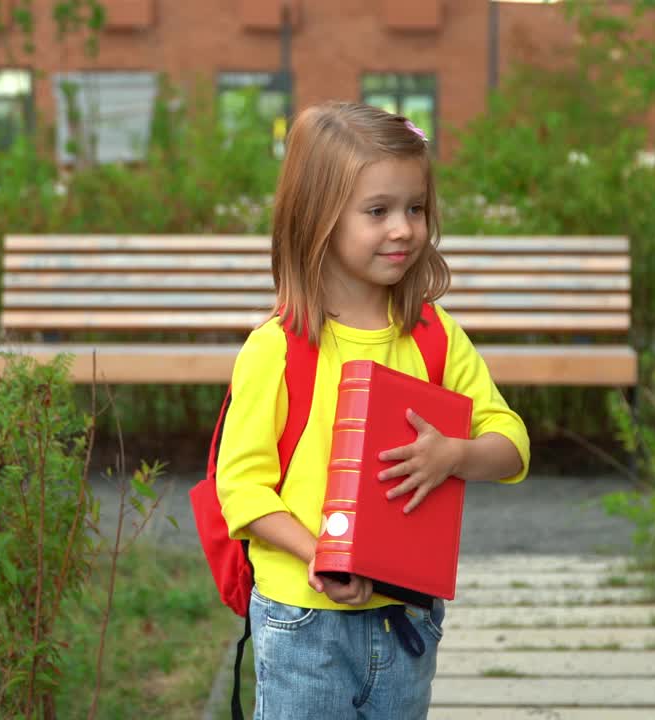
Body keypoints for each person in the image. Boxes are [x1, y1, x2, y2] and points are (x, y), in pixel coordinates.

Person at [216, 101, 530, 719]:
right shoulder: (278, 348)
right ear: (319, 221)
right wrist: (319, 555)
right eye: (378, 211)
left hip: (406, 620)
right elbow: (242, 490)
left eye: (416, 209)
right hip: (304, 622)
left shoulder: (433, 336)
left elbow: (512, 442)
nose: (404, 228)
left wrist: (457, 454)